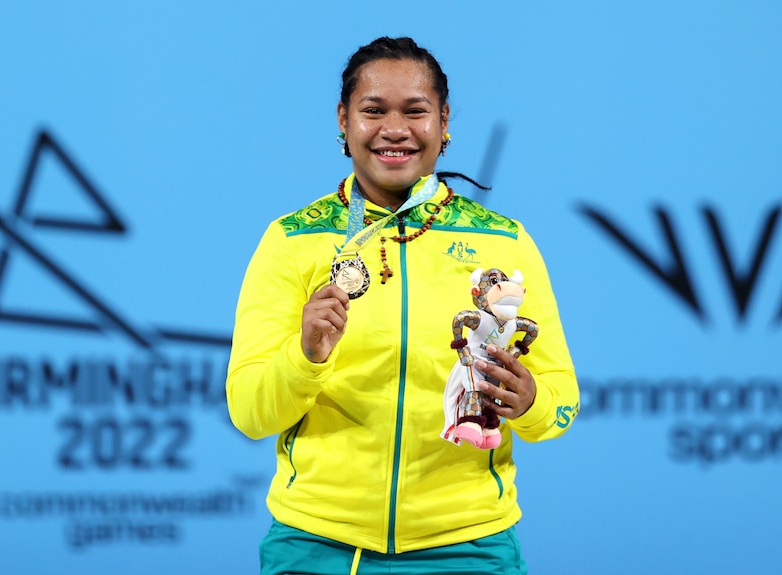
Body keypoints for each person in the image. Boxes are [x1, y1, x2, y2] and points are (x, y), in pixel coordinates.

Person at [226, 36, 578, 575]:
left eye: (416, 111)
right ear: (343, 120)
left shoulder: (503, 243)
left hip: (470, 548)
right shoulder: (292, 241)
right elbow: (251, 414)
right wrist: (306, 357)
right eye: (373, 111)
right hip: (320, 546)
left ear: (443, 122)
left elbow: (562, 404)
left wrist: (529, 402)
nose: (395, 130)